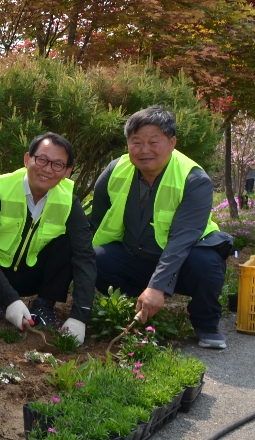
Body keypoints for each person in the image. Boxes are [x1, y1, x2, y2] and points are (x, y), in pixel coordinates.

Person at [91, 106, 232, 348]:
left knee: (207, 264)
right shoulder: (116, 170)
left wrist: (158, 287)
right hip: (136, 256)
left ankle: (206, 322)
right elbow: (96, 221)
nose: (144, 150)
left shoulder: (193, 179)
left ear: (172, 142)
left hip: (185, 259)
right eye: (136, 142)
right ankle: (140, 310)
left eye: (153, 142)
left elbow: (182, 239)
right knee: (95, 259)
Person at [0, 133, 94, 342]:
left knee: (69, 244)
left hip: (33, 276)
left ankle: (43, 306)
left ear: (67, 172)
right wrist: (10, 300)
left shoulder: (69, 201)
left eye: (58, 164)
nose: (47, 169)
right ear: (27, 159)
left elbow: (85, 255)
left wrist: (80, 316)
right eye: (42, 159)